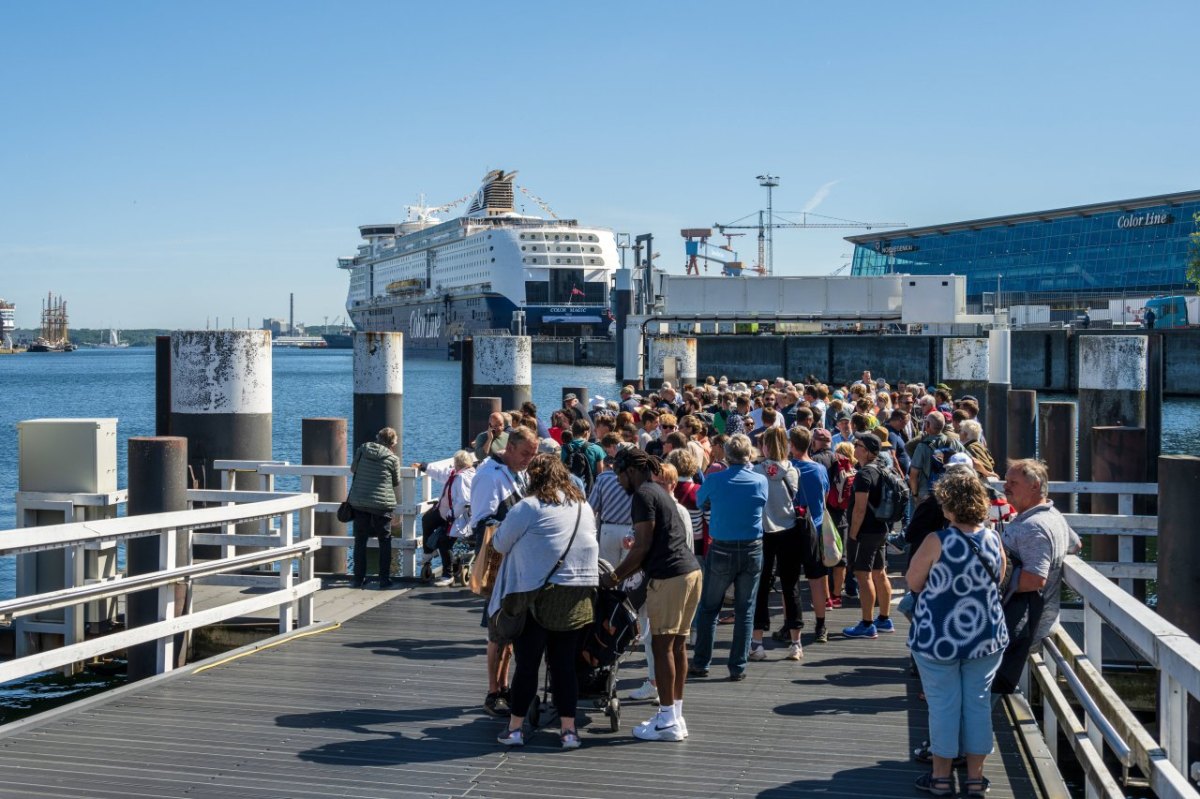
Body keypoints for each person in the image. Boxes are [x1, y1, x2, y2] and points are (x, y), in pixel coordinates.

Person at [906, 468, 1009, 797]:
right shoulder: (993, 538)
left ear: (949, 505)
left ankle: (940, 778)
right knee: (977, 704)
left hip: (938, 637)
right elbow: (1001, 576)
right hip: (985, 634)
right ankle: (976, 780)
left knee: (943, 705)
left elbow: (913, 582)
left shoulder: (937, 540)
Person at [492, 455, 599, 750]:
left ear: (533, 478)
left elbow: (499, 543)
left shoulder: (529, 506)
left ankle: (515, 729)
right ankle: (569, 731)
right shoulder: (583, 506)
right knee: (564, 666)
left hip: (538, 597)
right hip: (577, 597)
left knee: (528, 665)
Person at [604, 448, 703, 742]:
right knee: (678, 647)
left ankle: (666, 720)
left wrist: (613, 577)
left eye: (620, 474)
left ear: (630, 471)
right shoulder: (659, 491)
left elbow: (642, 546)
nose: (619, 481)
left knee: (661, 648)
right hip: (691, 572)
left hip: (670, 577)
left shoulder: (642, 496)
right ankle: (675, 716)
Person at [994, 459, 1081, 697]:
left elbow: (1034, 579)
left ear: (1035, 486)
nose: (1005, 487)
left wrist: (991, 584)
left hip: (1017, 625)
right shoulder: (1053, 515)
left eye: (1013, 482)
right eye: (1006, 481)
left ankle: (965, 732)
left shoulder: (1034, 527)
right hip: (1028, 621)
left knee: (982, 691)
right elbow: (1076, 545)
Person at [470, 427, 539, 717]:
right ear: (509, 447)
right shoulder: (489, 475)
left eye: (533, 455)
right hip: (499, 564)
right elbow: (481, 522)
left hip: (517, 562)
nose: (529, 460)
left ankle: (506, 685)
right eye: (525, 454)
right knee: (498, 631)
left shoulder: (516, 472)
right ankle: (493, 691)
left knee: (512, 631)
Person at [691, 434, 769, 681]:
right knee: (745, 610)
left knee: (709, 608)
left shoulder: (715, 479)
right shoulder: (760, 480)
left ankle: (702, 662)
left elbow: (699, 501)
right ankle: (738, 666)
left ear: (726, 455)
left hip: (722, 547)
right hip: (751, 548)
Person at [842, 434, 894, 639]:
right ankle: (884, 618)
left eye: (858, 445)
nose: (855, 447)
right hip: (881, 528)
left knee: (863, 575)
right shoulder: (881, 468)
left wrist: (853, 535)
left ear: (868, 451)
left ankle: (867, 623)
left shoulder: (864, 474)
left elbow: (859, 509)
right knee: (880, 573)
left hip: (867, 531)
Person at [348, 427, 401, 589]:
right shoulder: (392, 459)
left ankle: (358, 579)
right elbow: (396, 481)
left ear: (377, 438)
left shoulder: (363, 450)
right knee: (384, 541)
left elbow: (353, 469)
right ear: (393, 443)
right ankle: (384, 579)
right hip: (381, 505)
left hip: (360, 502)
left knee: (360, 540)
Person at [413, 450, 475, 586]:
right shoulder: (455, 474)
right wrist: (424, 466)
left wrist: (452, 515)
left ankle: (448, 575)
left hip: (457, 517)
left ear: (458, 463)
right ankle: (429, 552)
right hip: (443, 512)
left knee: (444, 542)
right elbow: (440, 473)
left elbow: (464, 501)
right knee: (427, 520)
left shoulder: (463, 478)